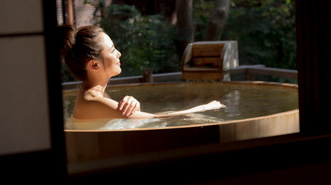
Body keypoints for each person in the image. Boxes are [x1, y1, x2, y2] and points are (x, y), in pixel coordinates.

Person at [59, 24, 225, 120]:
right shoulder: (93, 100)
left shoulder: (92, 94)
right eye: (112, 50)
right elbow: (157, 119)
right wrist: (206, 107)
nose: (119, 53)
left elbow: (124, 118)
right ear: (94, 65)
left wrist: (132, 108)